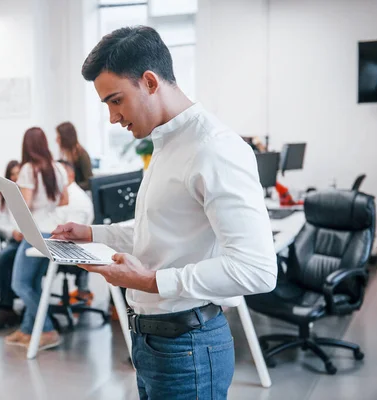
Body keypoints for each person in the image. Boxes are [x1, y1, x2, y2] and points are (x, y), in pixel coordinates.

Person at [51, 26, 277, 399]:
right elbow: (158, 230)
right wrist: (93, 234)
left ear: (150, 82)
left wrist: (153, 282)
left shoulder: (214, 149)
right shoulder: (168, 142)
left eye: (116, 100)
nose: (112, 117)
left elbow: (257, 270)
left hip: (186, 346)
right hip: (156, 343)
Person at [6, 127, 69, 350]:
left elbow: (26, 205)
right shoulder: (59, 168)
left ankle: (49, 330)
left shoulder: (28, 169)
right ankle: (26, 330)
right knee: (33, 283)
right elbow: (64, 201)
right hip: (53, 231)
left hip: (36, 231)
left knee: (19, 284)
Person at [0, 160, 23, 330]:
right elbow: (0, 223)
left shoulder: (30, 193)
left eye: (18, 173)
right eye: (12, 174)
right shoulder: (4, 196)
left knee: (7, 257)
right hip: (15, 240)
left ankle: (23, 305)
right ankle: (6, 308)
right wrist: (13, 232)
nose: (16, 177)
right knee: (4, 259)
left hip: (31, 241)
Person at [54, 159, 94, 302]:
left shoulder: (77, 199)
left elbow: (71, 234)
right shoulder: (63, 194)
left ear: (69, 175)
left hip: (71, 250)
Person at [56, 121, 93, 190]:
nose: (56, 140)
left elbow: (89, 183)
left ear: (65, 138)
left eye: (59, 137)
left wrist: (70, 187)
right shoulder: (65, 155)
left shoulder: (82, 155)